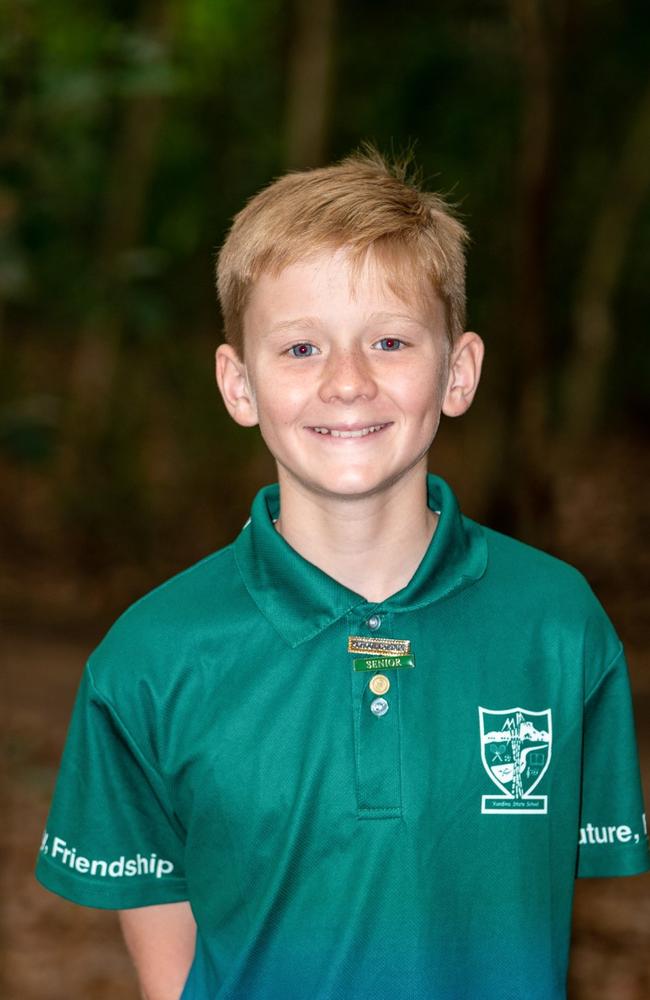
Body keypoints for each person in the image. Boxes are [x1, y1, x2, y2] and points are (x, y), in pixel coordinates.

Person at [36, 146, 649, 1000]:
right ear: (239, 384)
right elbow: (167, 946)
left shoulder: (557, 622)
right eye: (300, 349)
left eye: (390, 341)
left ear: (458, 372)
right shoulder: (151, 654)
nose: (347, 383)